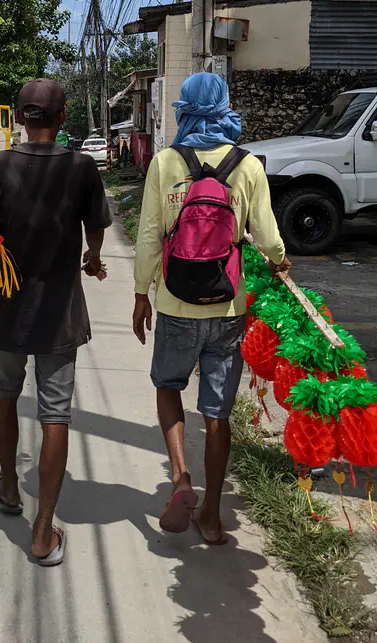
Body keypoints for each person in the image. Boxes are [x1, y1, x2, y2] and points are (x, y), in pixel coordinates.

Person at [0, 79, 111, 567]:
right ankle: (42, 530)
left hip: (8, 309)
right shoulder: (81, 166)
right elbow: (95, 228)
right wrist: (92, 258)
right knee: (56, 415)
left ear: (19, 117)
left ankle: (10, 488)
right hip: (60, 315)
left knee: (5, 394)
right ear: (63, 116)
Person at [132, 72, 289, 544]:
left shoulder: (165, 162)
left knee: (167, 385)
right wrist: (281, 263)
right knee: (217, 412)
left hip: (177, 302)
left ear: (184, 109)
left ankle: (181, 476)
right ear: (223, 108)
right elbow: (267, 236)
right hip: (229, 307)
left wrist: (142, 294)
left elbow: (148, 236)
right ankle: (214, 516)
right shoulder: (247, 165)